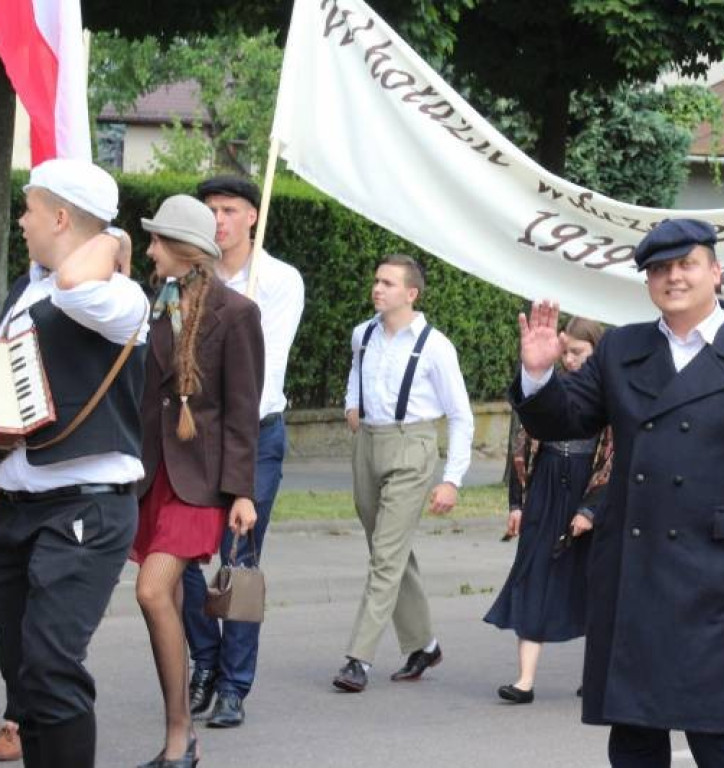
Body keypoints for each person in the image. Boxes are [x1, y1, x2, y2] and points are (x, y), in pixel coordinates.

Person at [512, 219, 724, 768]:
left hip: (718, 573)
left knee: (716, 732)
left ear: (716, 272)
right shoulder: (621, 348)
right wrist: (538, 377)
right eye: (660, 268)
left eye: (687, 264)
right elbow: (567, 419)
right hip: (632, 564)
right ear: (648, 282)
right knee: (633, 731)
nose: (674, 277)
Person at [0, 159, 148, 768]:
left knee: (51, 667)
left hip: (85, 506)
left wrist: (111, 239)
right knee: (24, 676)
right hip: (18, 505)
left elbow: (75, 283)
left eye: (30, 208)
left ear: (61, 217)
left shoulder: (118, 293)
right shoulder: (27, 288)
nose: (21, 220)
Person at [130, 195, 263, 767]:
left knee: (151, 590)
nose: (149, 250)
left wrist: (243, 492)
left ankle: (181, 732)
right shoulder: (153, 307)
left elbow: (242, 410)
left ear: (184, 249)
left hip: (201, 483)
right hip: (153, 477)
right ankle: (179, 739)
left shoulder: (237, 313)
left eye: (158, 240)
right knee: (161, 597)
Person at [181, 175, 305, 729]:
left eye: (229, 209)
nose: (218, 220)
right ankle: (205, 657)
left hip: (254, 435)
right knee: (179, 554)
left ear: (253, 215)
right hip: (196, 436)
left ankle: (233, 685)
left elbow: (261, 370)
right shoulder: (191, 276)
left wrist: (235, 314)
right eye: (210, 209)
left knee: (240, 561)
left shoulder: (278, 281)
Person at [333, 254, 474, 693]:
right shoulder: (363, 334)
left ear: (411, 293)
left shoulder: (436, 346)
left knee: (385, 556)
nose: (378, 288)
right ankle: (424, 644)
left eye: (388, 283)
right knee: (389, 551)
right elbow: (355, 372)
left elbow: (461, 416)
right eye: (376, 280)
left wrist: (451, 479)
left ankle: (358, 659)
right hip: (367, 444)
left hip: (413, 446)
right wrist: (351, 404)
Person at [484, 317, 612, 704]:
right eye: (566, 352)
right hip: (546, 486)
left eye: (579, 352)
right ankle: (524, 680)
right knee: (533, 574)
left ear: (596, 352)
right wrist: (516, 504)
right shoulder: (547, 388)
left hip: (589, 491)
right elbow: (521, 447)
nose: (570, 360)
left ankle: (597, 676)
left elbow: (615, 458)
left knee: (595, 587)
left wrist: (590, 509)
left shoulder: (610, 392)